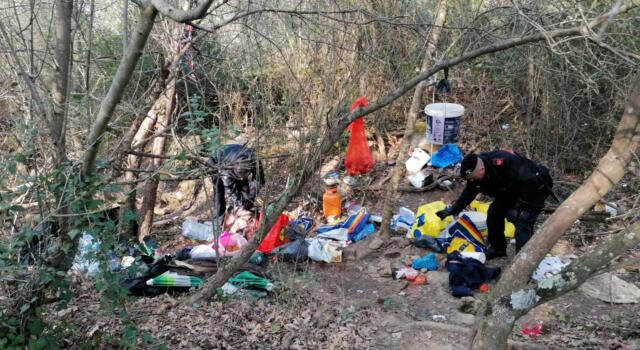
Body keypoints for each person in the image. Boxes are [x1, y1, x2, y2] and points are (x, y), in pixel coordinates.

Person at [436, 150, 553, 259]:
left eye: (472, 178)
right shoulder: (475, 177)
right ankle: (498, 249)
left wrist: (518, 206)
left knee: (522, 220)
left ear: (481, 170)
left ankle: (523, 260)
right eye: (469, 179)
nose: (471, 181)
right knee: (494, 213)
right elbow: (469, 192)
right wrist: (453, 209)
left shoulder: (504, 162)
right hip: (511, 190)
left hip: (535, 188)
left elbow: (530, 181)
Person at [207, 144, 264, 219]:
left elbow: (260, 180)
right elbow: (230, 190)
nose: (241, 178)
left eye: (244, 174)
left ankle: (247, 208)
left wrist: (251, 196)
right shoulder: (225, 167)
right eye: (240, 174)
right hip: (216, 161)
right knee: (219, 188)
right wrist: (239, 203)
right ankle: (219, 214)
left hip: (235, 154)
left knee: (243, 186)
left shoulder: (254, 161)